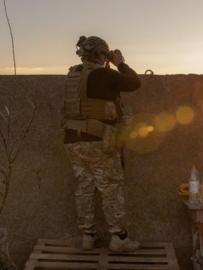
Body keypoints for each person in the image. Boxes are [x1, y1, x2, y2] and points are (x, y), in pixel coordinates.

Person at [61, 36, 141, 251]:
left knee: (84, 188)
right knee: (110, 188)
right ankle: (119, 239)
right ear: (102, 55)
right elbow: (134, 82)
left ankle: (88, 236)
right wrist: (120, 63)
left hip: (73, 141)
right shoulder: (104, 74)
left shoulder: (72, 75)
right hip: (99, 141)